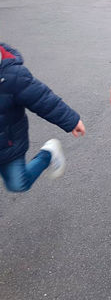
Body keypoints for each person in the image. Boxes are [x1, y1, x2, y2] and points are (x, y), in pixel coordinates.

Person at [0, 43, 86, 192]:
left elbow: (42, 99)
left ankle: (49, 153)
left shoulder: (12, 75)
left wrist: (70, 120)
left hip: (7, 145)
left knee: (18, 184)